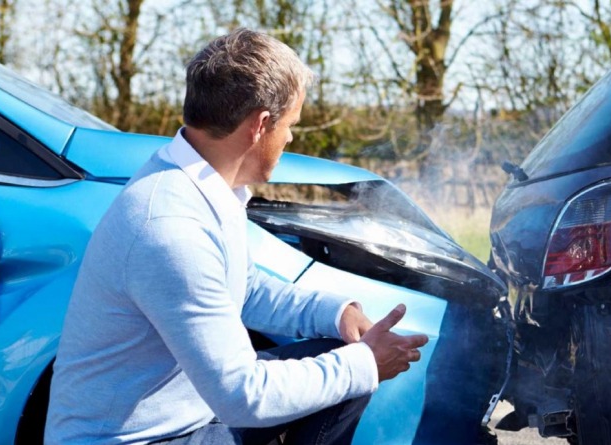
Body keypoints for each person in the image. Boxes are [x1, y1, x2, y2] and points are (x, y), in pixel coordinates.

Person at [45, 28, 428, 445]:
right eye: (291, 124)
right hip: (141, 440)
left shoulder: (197, 185)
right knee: (350, 371)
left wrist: (338, 314)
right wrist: (365, 364)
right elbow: (243, 396)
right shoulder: (170, 226)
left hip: (187, 417)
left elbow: (241, 289)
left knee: (337, 358)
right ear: (261, 125)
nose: (291, 138)